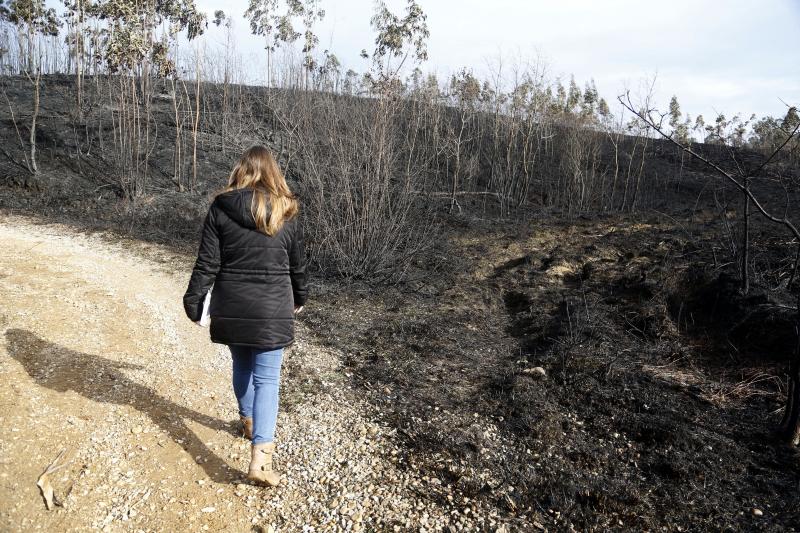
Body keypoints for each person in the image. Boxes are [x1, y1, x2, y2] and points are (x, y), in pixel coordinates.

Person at [183, 145, 307, 486]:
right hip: (273, 308)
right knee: (268, 379)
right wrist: (302, 295)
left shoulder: (221, 208)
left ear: (241, 170)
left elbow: (207, 263)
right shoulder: (287, 210)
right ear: (274, 173)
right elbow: (296, 263)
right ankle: (261, 461)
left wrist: (193, 300)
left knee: (241, 365)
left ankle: (247, 419)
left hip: (233, 305)